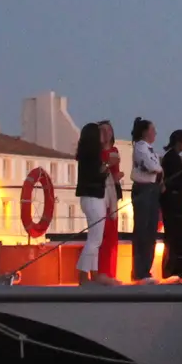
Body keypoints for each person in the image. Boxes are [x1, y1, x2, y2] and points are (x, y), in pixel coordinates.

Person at [73, 122, 111, 285]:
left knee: (95, 239)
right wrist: (108, 166)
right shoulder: (92, 156)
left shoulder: (87, 155)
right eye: (100, 132)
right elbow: (97, 175)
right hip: (94, 198)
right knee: (95, 240)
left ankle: (92, 275)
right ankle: (82, 275)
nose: (103, 134)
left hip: (91, 198)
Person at [128, 118, 164, 283]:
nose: (155, 133)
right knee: (142, 230)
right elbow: (152, 167)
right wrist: (158, 170)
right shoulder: (140, 148)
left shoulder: (149, 149)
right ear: (145, 132)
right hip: (143, 189)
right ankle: (139, 270)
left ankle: (146, 270)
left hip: (152, 189)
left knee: (151, 230)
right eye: (152, 130)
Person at [159, 130, 182, 279]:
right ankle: (175, 269)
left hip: (173, 201)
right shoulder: (172, 158)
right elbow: (176, 179)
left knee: (177, 235)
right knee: (176, 235)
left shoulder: (171, 157)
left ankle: (177, 268)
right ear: (180, 141)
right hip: (172, 202)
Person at [98, 121, 124, 278]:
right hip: (102, 194)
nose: (107, 133)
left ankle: (111, 272)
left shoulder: (114, 150)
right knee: (103, 235)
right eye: (104, 130)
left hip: (113, 193)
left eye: (109, 130)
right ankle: (102, 272)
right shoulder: (97, 153)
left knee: (112, 236)